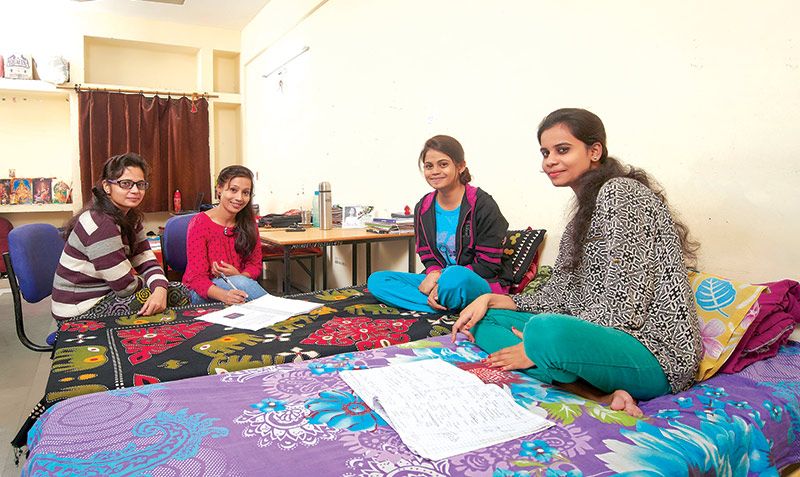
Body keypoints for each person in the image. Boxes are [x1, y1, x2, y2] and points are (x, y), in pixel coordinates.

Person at [452, 108, 702, 417]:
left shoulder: (621, 193)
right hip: (595, 337)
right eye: (545, 152)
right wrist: (493, 298)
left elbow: (624, 309)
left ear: (594, 151)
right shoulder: (580, 217)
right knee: (483, 318)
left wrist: (535, 345)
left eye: (562, 150)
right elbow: (559, 294)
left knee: (545, 331)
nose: (550, 161)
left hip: (652, 352)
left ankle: (554, 363)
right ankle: (597, 394)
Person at [368, 135, 512, 313]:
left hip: (475, 281)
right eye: (429, 166)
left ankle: (449, 299)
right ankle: (446, 303)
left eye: (443, 164)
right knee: (377, 281)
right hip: (440, 279)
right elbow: (427, 255)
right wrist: (434, 274)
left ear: (460, 166)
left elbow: (488, 265)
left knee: (454, 276)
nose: (435, 171)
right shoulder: (423, 207)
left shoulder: (482, 204)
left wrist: (441, 276)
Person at [52, 153, 190, 321]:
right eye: (125, 184)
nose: (135, 190)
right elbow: (125, 286)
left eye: (140, 184)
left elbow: (146, 260)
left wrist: (160, 287)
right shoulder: (100, 224)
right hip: (78, 309)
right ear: (107, 186)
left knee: (168, 292)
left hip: (104, 295)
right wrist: (157, 286)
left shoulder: (130, 217)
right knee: (177, 293)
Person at [183, 165, 267, 305]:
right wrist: (225, 295)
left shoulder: (249, 221)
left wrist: (239, 276)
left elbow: (255, 265)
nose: (239, 198)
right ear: (219, 189)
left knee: (241, 283)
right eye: (233, 190)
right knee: (242, 284)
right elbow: (197, 279)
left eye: (245, 192)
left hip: (239, 287)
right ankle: (277, 310)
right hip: (203, 291)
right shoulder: (200, 223)